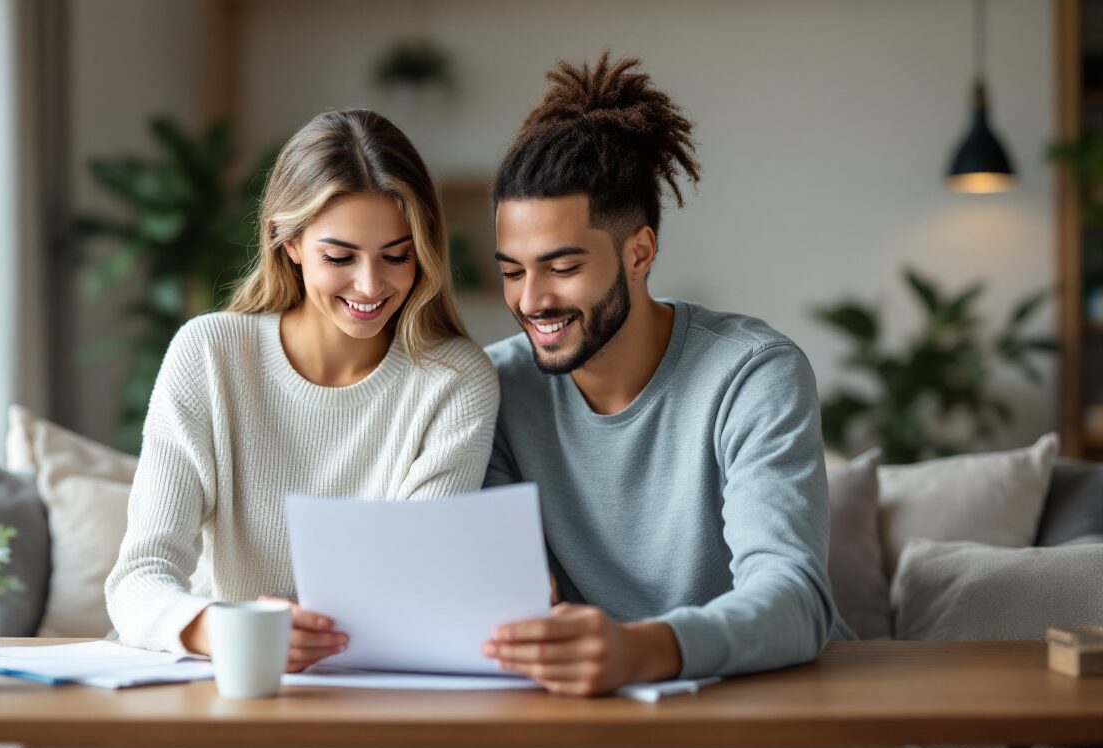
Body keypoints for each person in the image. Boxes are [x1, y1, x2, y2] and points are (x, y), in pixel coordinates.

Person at [480, 53, 850, 697]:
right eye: (512, 271)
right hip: (588, 712)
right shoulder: (494, 388)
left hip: (771, 699)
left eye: (562, 268)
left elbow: (795, 599)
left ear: (640, 252)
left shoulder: (753, 375)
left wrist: (639, 649)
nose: (531, 300)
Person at [106, 109, 499, 672]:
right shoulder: (209, 355)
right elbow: (137, 578)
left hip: (379, 688)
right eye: (339, 257)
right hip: (230, 682)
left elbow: (415, 590)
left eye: (397, 255)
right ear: (288, 241)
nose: (370, 284)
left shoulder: (455, 381)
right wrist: (233, 632)